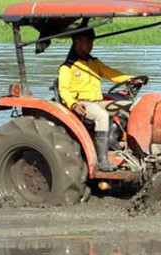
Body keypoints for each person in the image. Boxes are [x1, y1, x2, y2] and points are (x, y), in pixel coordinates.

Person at [58, 28, 145, 172]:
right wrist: (73, 104)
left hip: (98, 102)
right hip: (82, 104)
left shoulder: (94, 62)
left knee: (131, 105)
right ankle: (103, 160)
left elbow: (111, 74)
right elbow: (64, 91)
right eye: (87, 41)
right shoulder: (67, 67)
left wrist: (131, 79)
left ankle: (127, 144)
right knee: (102, 116)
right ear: (77, 42)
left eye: (92, 41)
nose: (91, 45)